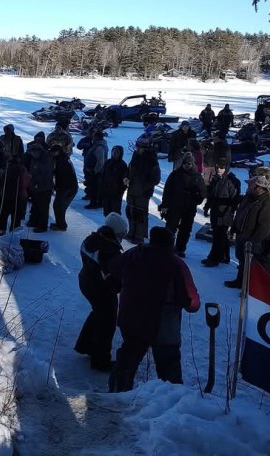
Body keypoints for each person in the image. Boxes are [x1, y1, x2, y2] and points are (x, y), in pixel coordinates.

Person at [109, 227, 200, 392]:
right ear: (170, 243)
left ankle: (117, 393)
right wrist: (190, 304)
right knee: (168, 362)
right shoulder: (175, 264)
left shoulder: (133, 254)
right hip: (163, 322)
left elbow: (112, 275)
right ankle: (171, 400)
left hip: (131, 316)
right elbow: (192, 302)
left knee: (128, 358)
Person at [75, 213, 128, 371]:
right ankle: (100, 360)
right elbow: (112, 276)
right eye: (122, 234)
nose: (122, 238)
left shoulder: (92, 239)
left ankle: (86, 345)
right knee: (107, 322)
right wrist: (120, 287)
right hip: (101, 289)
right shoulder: (110, 250)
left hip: (86, 281)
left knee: (98, 313)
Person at [225, 175, 270, 288]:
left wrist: (253, 241)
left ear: (258, 187)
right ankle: (240, 281)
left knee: (252, 264)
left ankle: (251, 287)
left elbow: (265, 227)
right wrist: (234, 229)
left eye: (250, 185)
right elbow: (240, 213)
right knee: (242, 261)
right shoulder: (248, 198)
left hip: (254, 240)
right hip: (242, 236)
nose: (248, 186)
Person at [158, 152, 206, 258]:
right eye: (185, 163)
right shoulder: (175, 174)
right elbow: (167, 190)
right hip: (174, 205)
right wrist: (165, 204)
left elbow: (203, 192)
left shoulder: (197, 176)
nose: (187, 165)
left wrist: (196, 199)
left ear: (192, 164)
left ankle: (180, 248)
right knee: (170, 228)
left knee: (185, 229)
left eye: (189, 163)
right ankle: (167, 247)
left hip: (189, 207)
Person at [201, 159, 241, 267]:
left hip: (224, 212)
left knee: (219, 236)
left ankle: (214, 258)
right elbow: (211, 195)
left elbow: (234, 200)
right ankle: (224, 256)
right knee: (220, 235)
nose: (219, 169)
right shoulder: (216, 179)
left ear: (226, 168)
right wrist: (207, 206)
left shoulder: (233, 181)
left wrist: (229, 213)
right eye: (217, 167)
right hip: (215, 211)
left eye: (222, 167)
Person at [124, 138, 161, 245]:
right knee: (130, 212)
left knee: (140, 214)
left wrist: (144, 186)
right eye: (137, 147)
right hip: (132, 189)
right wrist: (126, 176)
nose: (137, 149)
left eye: (139, 147)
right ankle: (131, 232)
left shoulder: (152, 160)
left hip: (143, 193)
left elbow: (156, 179)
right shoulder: (135, 156)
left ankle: (139, 235)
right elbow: (129, 168)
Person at [24, 133, 54, 232]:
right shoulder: (34, 159)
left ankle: (42, 226)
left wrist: (36, 181)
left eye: (34, 152)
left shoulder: (45, 160)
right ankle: (34, 221)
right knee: (35, 205)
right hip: (35, 187)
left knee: (43, 207)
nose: (32, 154)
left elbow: (46, 175)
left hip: (44, 188)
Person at [50, 143, 77, 231]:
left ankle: (61, 225)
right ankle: (60, 224)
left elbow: (63, 177)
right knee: (59, 207)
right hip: (68, 187)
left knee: (59, 206)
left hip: (66, 188)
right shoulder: (63, 158)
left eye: (55, 152)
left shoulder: (62, 161)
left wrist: (58, 188)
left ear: (59, 152)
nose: (53, 154)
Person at [98, 145, 128, 216]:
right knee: (106, 211)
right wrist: (100, 188)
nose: (114, 153)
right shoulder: (108, 162)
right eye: (113, 152)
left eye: (117, 152)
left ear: (120, 154)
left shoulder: (123, 165)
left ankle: (115, 225)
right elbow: (102, 175)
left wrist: (120, 190)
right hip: (106, 191)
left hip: (116, 194)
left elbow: (125, 181)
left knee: (115, 212)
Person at [82, 130, 108, 209]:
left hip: (96, 172)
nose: (92, 138)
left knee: (95, 188)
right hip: (94, 171)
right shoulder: (97, 145)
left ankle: (94, 203)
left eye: (94, 136)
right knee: (95, 187)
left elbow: (100, 162)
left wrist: (94, 171)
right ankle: (98, 202)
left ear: (97, 137)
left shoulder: (99, 147)